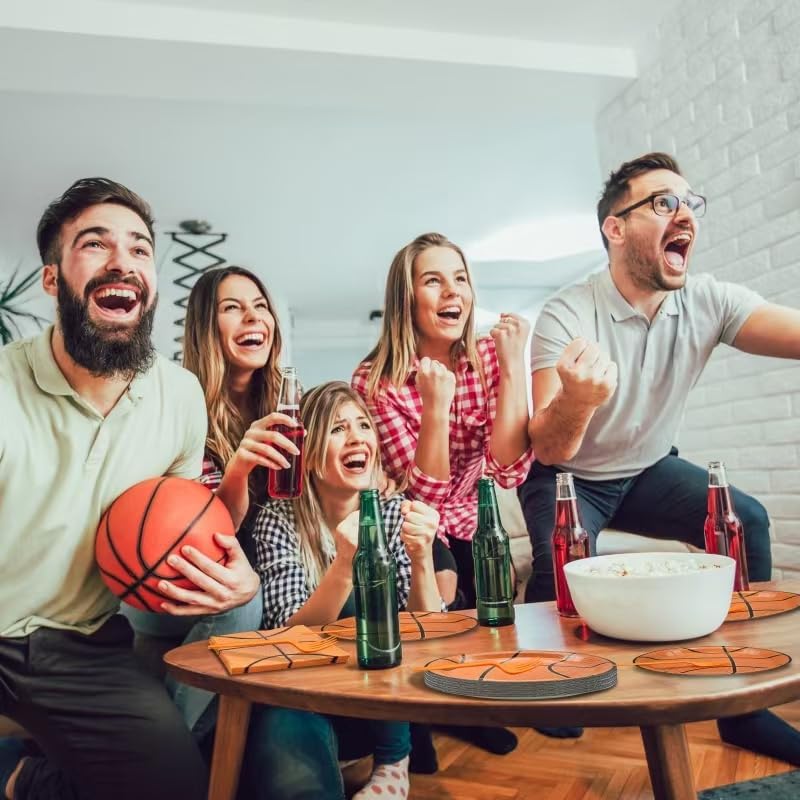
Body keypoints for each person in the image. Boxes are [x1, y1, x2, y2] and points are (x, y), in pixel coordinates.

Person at [518, 151, 800, 763]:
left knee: (744, 521)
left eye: (690, 203)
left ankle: (743, 707)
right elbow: (549, 445)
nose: (685, 215)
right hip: (571, 477)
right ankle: (546, 685)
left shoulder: (708, 300)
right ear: (614, 228)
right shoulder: (566, 314)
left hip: (646, 467)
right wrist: (579, 398)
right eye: (663, 202)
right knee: (561, 558)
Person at [0, 178, 260, 800]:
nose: (123, 261)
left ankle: (35, 779)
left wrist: (237, 579)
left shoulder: (180, 395)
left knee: (172, 786)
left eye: (141, 248)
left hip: (80, 642)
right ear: (52, 280)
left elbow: (180, 526)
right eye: (95, 244)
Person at [352, 232, 542, 759]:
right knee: (437, 593)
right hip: (412, 516)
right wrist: (436, 406)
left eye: (459, 278)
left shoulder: (487, 355)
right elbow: (423, 496)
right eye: (432, 280)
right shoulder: (374, 380)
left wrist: (511, 367)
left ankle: (471, 709)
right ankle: (416, 719)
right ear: (406, 299)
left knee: (488, 604)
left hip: (473, 507)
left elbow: (507, 468)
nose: (451, 291)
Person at [245, 381, 443, 800]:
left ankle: (394, 765)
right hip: (303, 699)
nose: (357, 438)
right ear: (310, 455)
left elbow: (427, 636)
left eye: (364, 425)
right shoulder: (278, 518)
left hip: (380, 707)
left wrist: (423, 557)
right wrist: (343, 565)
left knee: (371, 595)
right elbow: (285, 637)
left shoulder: (392, 513)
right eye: (338, 429)